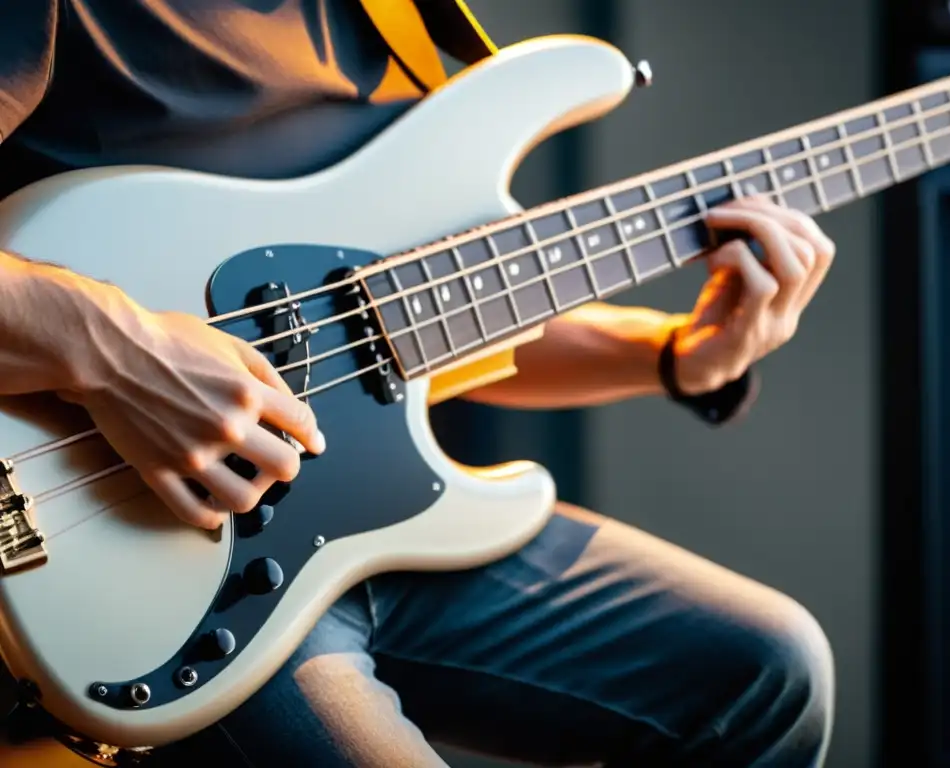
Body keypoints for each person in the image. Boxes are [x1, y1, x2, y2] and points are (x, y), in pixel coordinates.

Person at [0, 2, 837, 766]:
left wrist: (678, 355)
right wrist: (114, 349)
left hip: (354, 514)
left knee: (767, 674)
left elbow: (394, 324)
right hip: (137, 546)